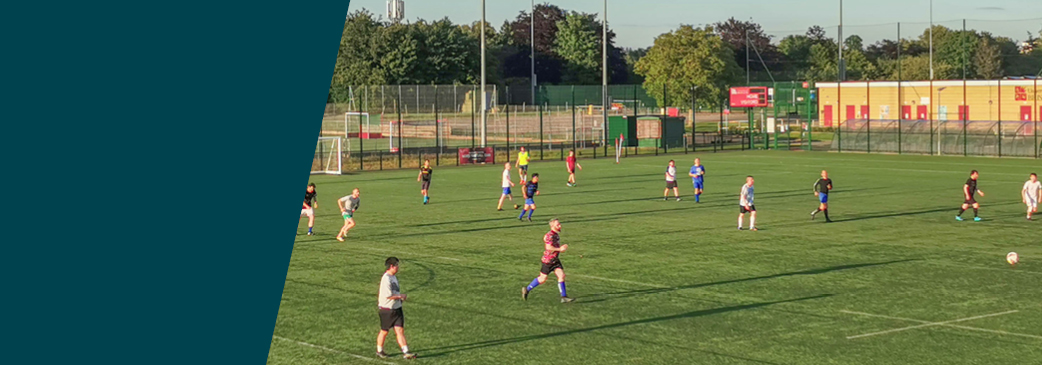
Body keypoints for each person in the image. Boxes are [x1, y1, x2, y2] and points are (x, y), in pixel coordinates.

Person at [521, 218, 574, 303]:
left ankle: (564, 297)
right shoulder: (550, 235)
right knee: (542, 279)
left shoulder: (556, 234)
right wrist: (560, 249)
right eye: (558, 224)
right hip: (548, 261)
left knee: (561, 275)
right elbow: (548, 247)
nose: (560, 226)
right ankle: (527, 289)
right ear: (552, 226)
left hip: (555, 260)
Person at [376, 257, 417, 360]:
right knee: (384, 331)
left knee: (399, 330)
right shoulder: (386, 279)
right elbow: (388, 295)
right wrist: (400, 296)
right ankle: (379, 350)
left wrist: (400, 300)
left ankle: (406, 351)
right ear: (391, 266)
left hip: (397, 308)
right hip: (387, 309)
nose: (398, 267)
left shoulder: (394, 277)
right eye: (396, 265)